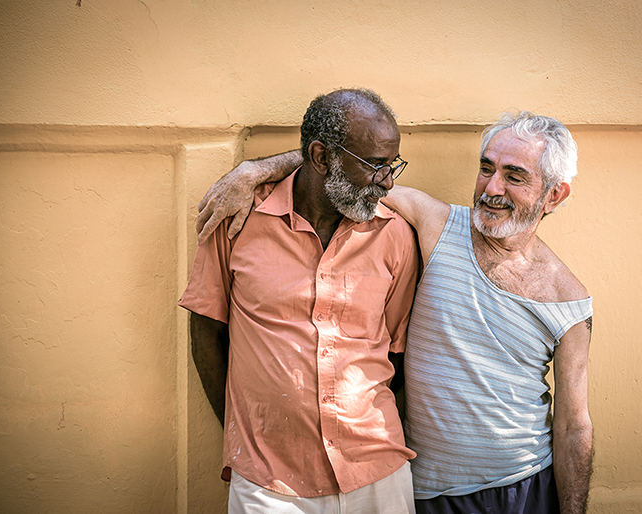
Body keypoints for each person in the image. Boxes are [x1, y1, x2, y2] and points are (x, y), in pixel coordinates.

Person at [197, 111, 594, 514]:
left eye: (515, 176)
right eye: (486, 168)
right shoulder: (436, 224)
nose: (492, 188)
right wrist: (254, 171)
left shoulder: (568, 301)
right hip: (424, 492)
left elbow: (573, 426)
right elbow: (343, 167)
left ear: (554, 195)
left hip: (521, 488)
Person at [179, 88, 420, 513]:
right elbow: (206, 334)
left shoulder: (394, 233)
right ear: (322, 157)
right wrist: (249, 432)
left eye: (392, 164)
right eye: (376, 166)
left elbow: (397, 352)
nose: (389, 181)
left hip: (376, 473)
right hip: (269, 481)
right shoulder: (238, 220)